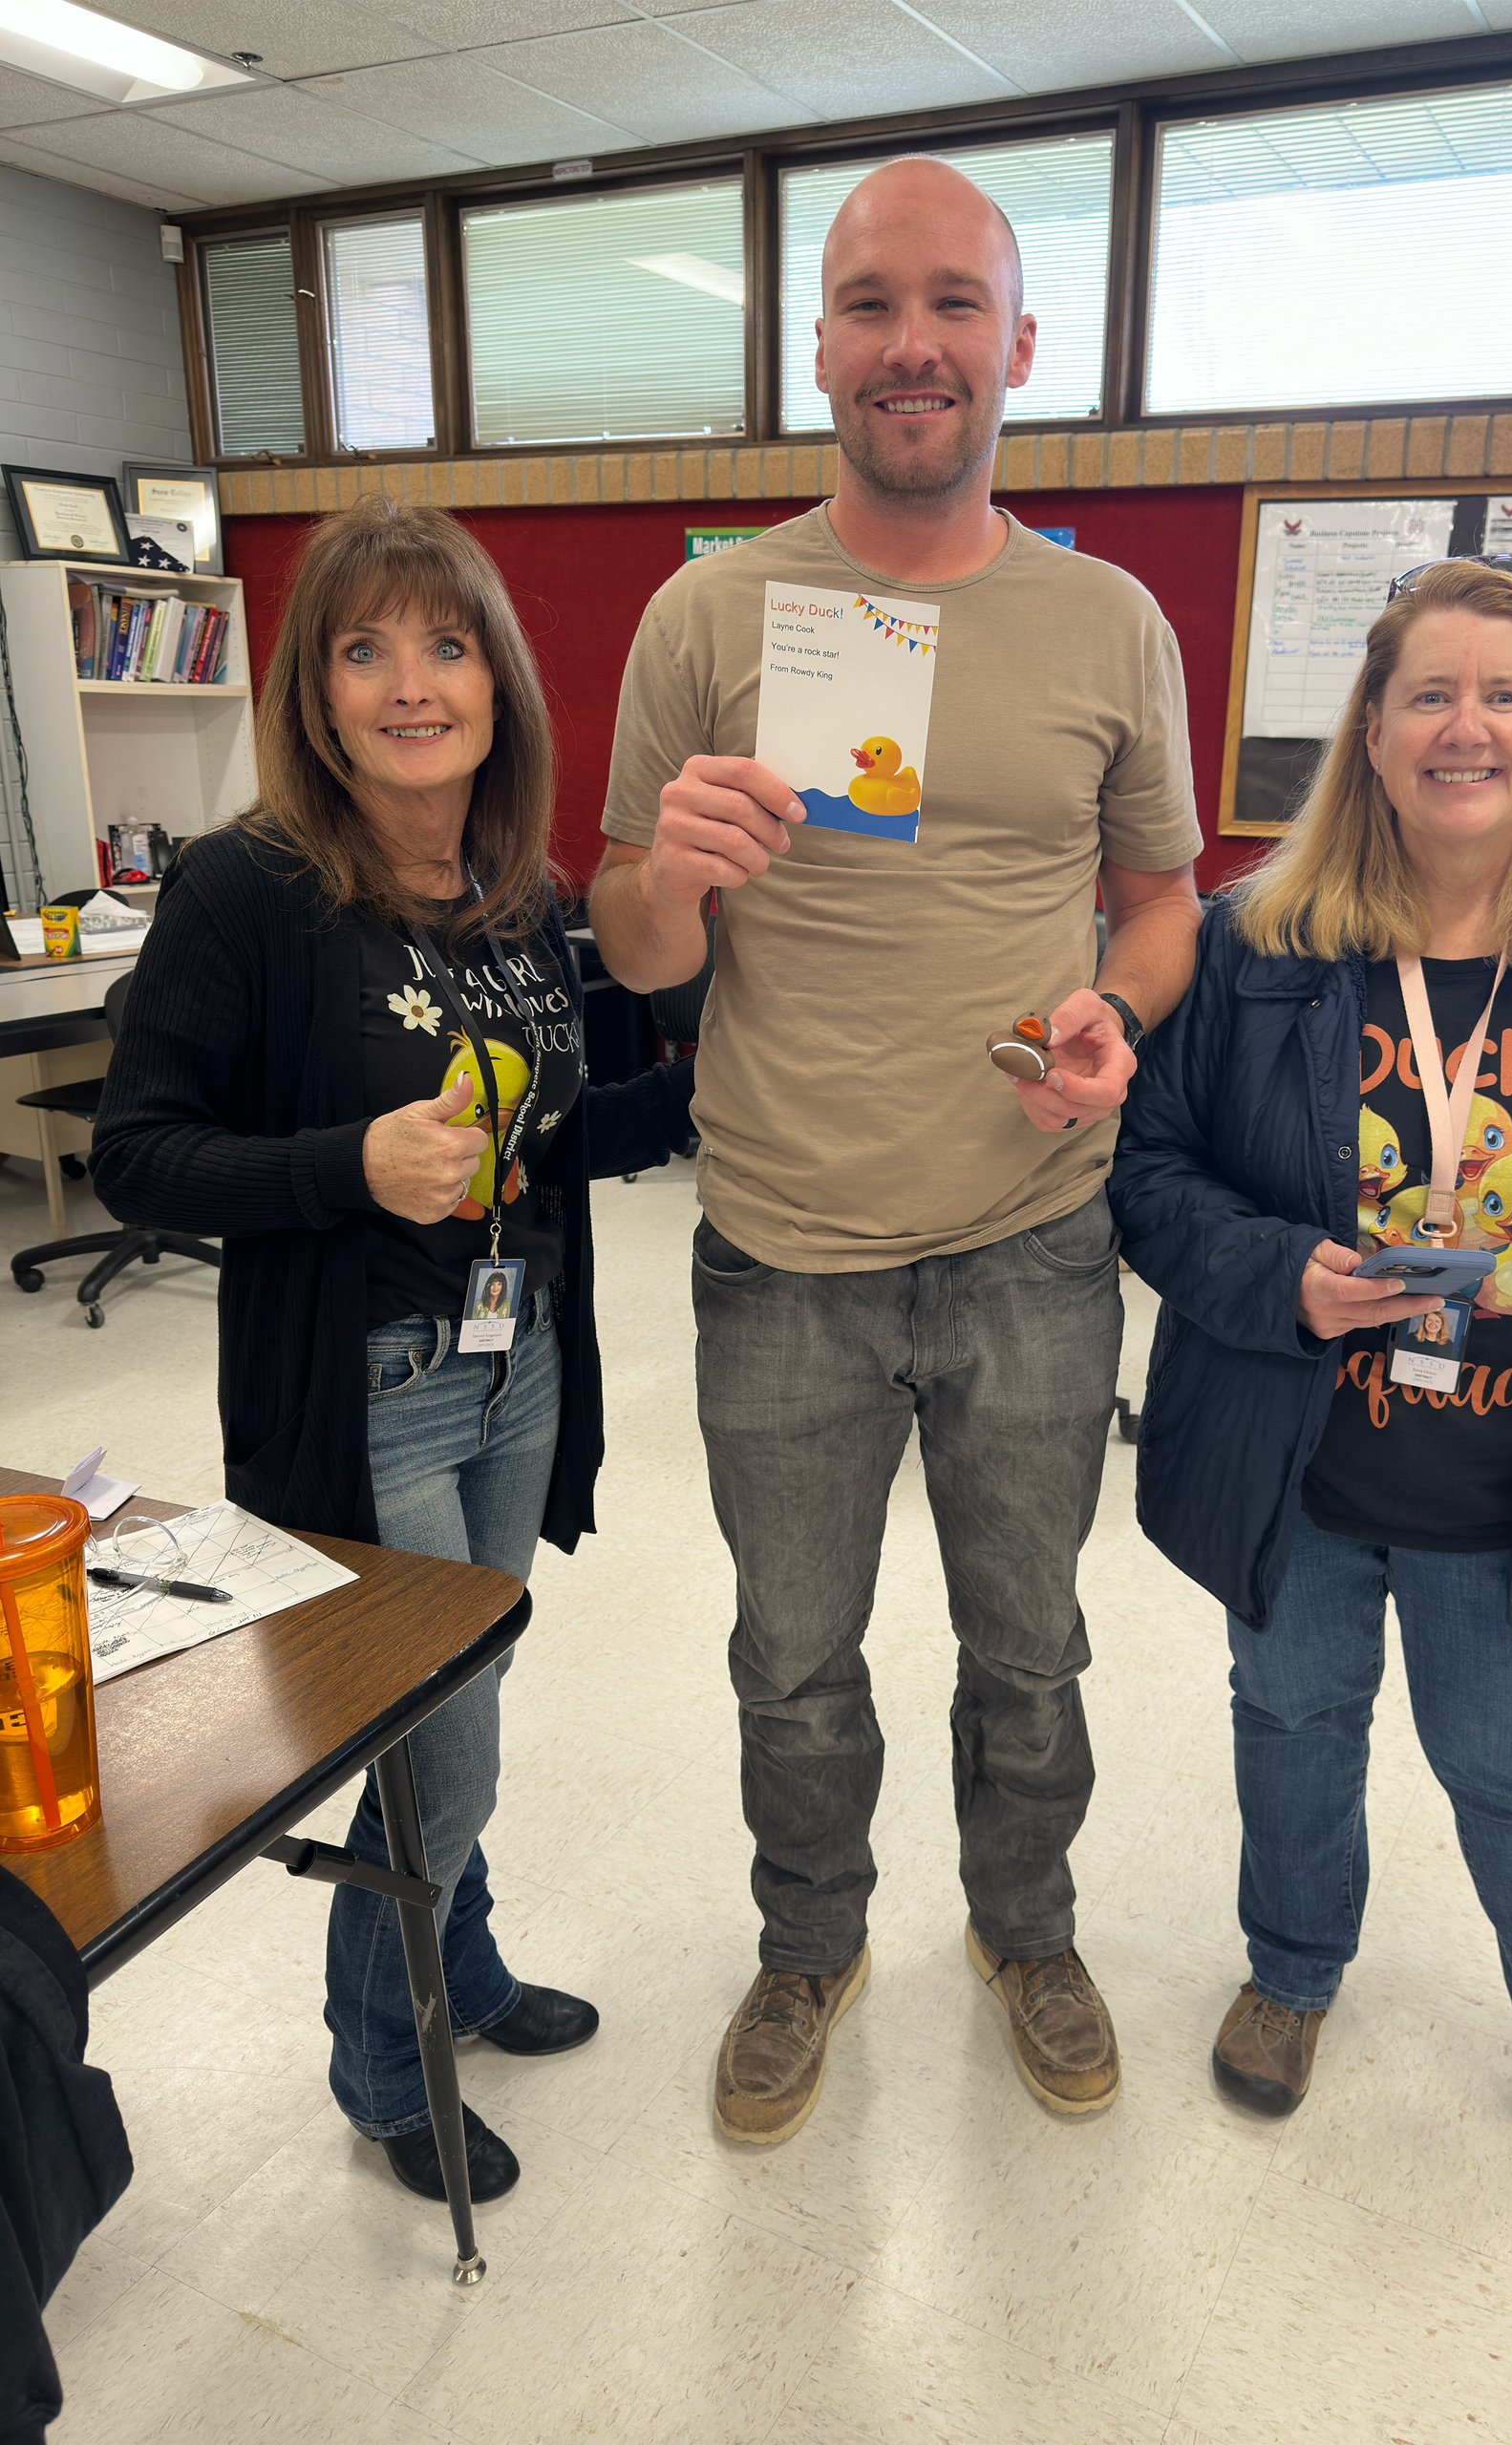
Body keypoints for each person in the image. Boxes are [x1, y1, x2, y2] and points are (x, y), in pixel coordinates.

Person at [592, 156, 1203, 2140]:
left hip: (1034, 1236)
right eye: (871, 304)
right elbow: (635, 939)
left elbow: (1164, 899)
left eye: (955, 303)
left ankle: (1026, 1926)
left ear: (1020, 347)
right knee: (794, 1656)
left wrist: (1123, 1005)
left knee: (1030, 1647)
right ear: (822, 347)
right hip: (782, 1242)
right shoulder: (707, 611)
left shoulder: (1112, 623)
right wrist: (667, 879)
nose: (913, 341)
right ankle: (808, 1941)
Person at [1109, 556, 1512, 2274]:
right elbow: (1151, 1175)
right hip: (1300, 1470)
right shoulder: (1266, 943)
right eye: (1427, 692)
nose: (1462, 725)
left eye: (1502, 694)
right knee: (1293, 1729)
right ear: (1377, 728)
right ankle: (1294, 1967)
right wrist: (1281, 1277)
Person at [91, 497, 697, 2206]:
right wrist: (340, 1166)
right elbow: (139, 1152)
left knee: (462, 1695)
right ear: (316, 689)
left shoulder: (521, 896)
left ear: (498, 679)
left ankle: (471, 1969)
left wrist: (733, 1084)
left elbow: (551, 1141)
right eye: (365, 649)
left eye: (444, 645)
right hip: (364, 1394)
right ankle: (384, 2060)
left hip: (515, 1376)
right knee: (439, 1743)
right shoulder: (250, 889)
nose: (410, 684)